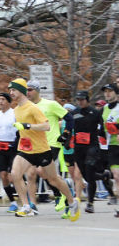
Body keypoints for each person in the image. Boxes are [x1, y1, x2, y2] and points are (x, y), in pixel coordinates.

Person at [6, 78, 79, 221]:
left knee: (53, 179)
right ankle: (26, 206)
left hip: (42, 149)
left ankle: (71, 201)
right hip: (26, 149)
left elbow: (47, 126)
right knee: (15, 174)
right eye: (10, 90)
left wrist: (27, 126)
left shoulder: (33, 108)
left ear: (21, 91)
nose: (11, 93)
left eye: (14, 90)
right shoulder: (16, 110)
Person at [26, 81, 74, 212]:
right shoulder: (27, 107)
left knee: (42, 171)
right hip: (35, 144)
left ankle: (59, 195)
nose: (27, 92)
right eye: (26, 90)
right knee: (31, 174)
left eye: (30, 90)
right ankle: (33, 206)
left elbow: (69, 118)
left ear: (37, 91)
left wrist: (65, 134)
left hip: (52, 142)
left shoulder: (50, 104)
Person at [70, 90, 105, 213]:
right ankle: (103, 176)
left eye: (82, 99)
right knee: (85, 175)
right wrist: (67, 139)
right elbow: (70, 127)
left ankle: (90, 203)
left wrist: (104, 136)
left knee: (89, 172)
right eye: (78, 100)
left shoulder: (95, 113)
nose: (80, 102)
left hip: (92, 146)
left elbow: (102, 128)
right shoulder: (74, 113)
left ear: (87, 100)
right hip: (79, 147)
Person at [0, 92, 20, 212]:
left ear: (9, 101)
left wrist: (16, 142)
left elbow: (20, 130)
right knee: (3, 176)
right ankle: (13, 202)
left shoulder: (15, 113)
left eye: (3, 99)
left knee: (12, 176)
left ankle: (26, 198)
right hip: (1, 148)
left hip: (13, 147)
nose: (0, 102)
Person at [98, 83, 119, 206]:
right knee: (116, 176)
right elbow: (100, 128)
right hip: (111, 147)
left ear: (116, 93)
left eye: (110, 91)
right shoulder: (103, 110)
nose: (107, 93)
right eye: (105, 91)